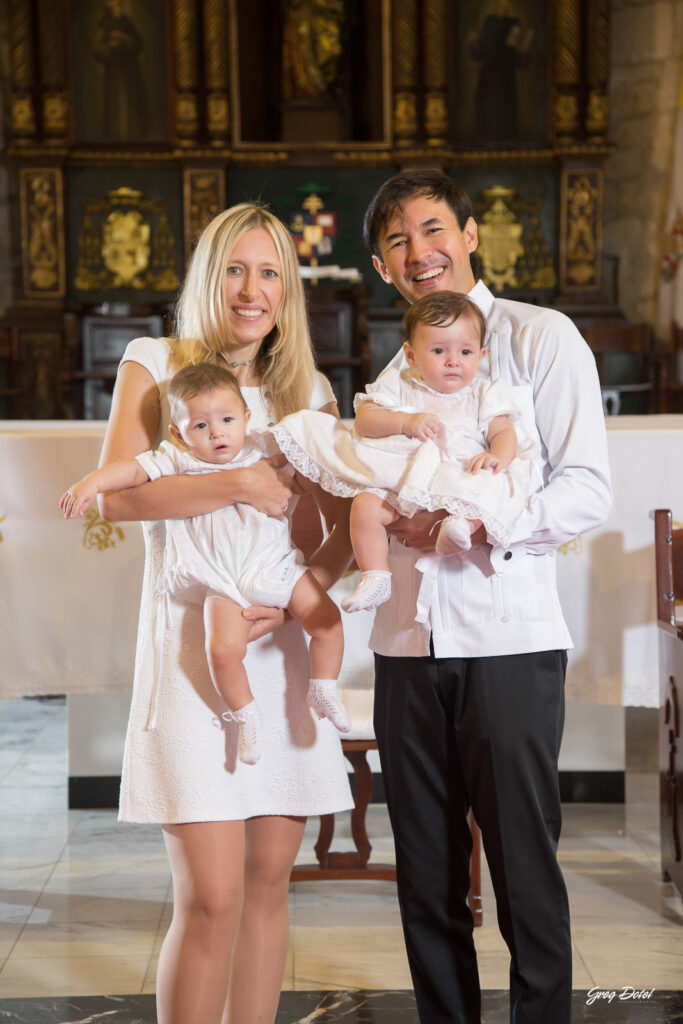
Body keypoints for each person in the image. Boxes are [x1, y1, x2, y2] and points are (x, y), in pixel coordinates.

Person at [89, 201, 354, 1024]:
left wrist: (298, 593)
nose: (251, 289)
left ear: (288, 290)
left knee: (268, 884)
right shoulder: (156, 362)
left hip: (274, 660)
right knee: (209, 897)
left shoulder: (303, 389)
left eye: (269, 272)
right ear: (210, 276)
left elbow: (337, 525)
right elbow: (121, 502)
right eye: (235, 269)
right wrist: (239, 480)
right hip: (189, 655)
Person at [360, 168, 612, 1024]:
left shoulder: (540, 338)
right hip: (408, 644)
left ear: (469, 233)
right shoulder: (391, 373)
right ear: (381, 264)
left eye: (431, 229)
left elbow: (585, 487)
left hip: (507, 639)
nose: (417, 251)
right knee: (424, 877)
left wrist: (470, 528)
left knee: (522, 870)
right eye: (396, 240)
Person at [60, 361, 350, 765]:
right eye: (201, 426)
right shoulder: (178, 459)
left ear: (247, 419)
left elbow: (309, 459)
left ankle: (323, 686)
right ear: (180, 433)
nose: (216, 432)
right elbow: (131, 470)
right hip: (221, 582)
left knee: (328, 621)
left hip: (276, 567)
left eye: (228, 419)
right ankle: (246, 715)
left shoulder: (261, 447)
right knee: (223, 651)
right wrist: (91, 482)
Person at [273, 291, 536, 618]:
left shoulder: (484, 392)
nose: (453, 360)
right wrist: (406, 421)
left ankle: (461, 526)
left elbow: (503, 432)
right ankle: (375, 575)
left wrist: (497, 456)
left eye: (465, 351)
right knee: (365, 506)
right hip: (406, 476)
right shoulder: (400, 383)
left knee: (489, 483)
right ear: (411, 355)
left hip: (459, 471)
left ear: (481, 355)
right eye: (439, 350)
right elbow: (366, 421)